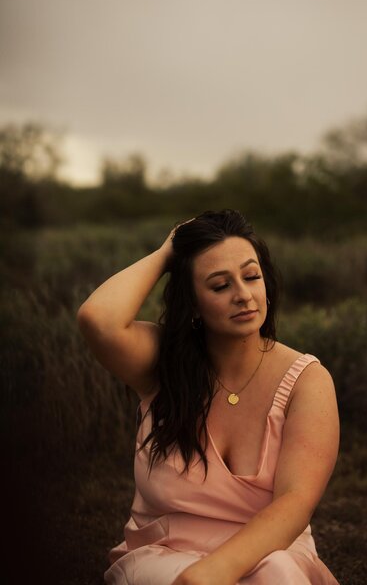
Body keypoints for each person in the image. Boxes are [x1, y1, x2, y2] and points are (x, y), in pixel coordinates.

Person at [77, 209, 340, 585]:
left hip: (269, 554)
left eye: (252, 276)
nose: (244, 295)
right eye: (220, 286)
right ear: (194, 303)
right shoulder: (162, 361)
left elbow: (295, 503)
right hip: (164, 556)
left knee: (279, 574)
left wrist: (210, 574)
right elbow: (97, 319)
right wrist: (170, 252)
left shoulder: (306, 380)